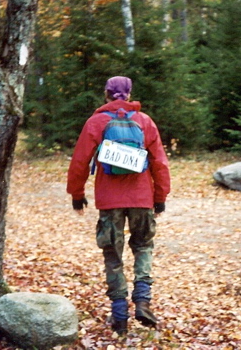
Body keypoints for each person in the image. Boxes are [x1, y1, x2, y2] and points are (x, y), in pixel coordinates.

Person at [66, 76, 171, 336]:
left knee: (113, 254)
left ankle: (120, 315)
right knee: (144, 246)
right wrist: (160, 197)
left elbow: (80, 161)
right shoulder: (144, 121)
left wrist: (76, 194)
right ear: (129, 93)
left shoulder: (97, 122)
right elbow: (159, 163)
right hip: (142, 198)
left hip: (109, 201)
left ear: (106, 94)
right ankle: (143, 300)